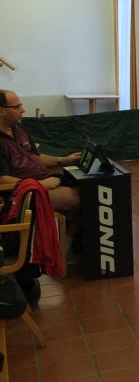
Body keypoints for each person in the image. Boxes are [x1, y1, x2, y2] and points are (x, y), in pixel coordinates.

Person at [0, 89, 83, 302]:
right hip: (22, 195)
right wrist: (38, 185)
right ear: (1, 111)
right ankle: (65, 251)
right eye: (17, 107)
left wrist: (63, 160)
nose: (23, 110)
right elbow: (2, 180)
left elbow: (36, 157)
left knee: (86, 188)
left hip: (42, 183)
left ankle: (67, 246)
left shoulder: (19, 130)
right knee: (81, 200)